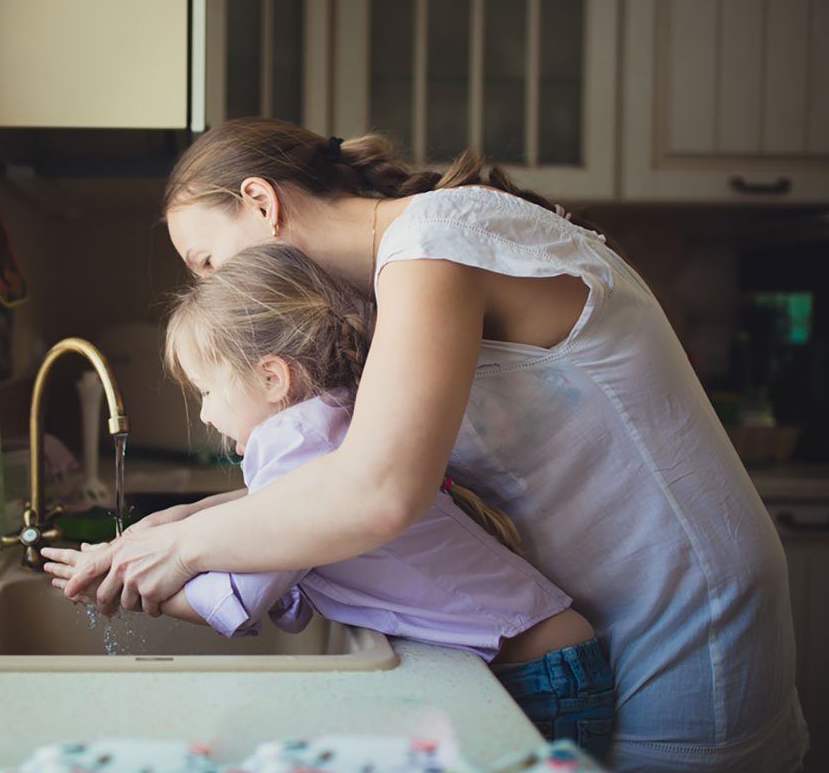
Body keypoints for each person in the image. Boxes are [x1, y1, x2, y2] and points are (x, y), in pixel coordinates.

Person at [49, 118, 807, 771]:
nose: (216, 294)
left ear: (261, 202)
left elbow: (379, 491)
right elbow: (344, 471)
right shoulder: (392, 282)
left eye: (209, 263)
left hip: (685, 609)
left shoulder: (432, 244)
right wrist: (174, 525)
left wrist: (185, 551)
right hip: (613, 610)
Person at [44, 243, 615, 759]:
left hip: (537, 677)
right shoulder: (330, 421)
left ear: (273, 379)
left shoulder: (294, 446)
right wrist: (169, 526)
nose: (206, 414)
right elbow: (262, 528)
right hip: (546, 660)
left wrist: (117, 582)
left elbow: (237, 595)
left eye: (208, 390)